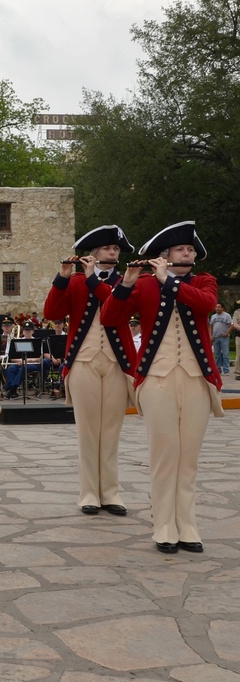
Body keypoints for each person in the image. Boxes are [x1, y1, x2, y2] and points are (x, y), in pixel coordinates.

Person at [101, 221, 224, 554]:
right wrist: (125, 284)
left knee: (189, 457)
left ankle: (188, 523)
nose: (189, 253)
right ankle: (164, 525)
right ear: (164, 255)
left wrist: (167, 280)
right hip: (156, 378)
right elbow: (110, 318)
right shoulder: (143, 284)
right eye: (181, 250)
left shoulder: (203, 281)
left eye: (190, 250)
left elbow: (204, 304)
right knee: (165, 453)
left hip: (197, 378)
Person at [43, 225, 136, 517]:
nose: (113, 253)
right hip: (83, 360)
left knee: (111, 430)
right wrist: (62, 277)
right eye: (108, 249)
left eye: (116, 249)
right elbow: (52, 313)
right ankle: (89, 494)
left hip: (116, 362)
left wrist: (94, 278)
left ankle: (110, 492)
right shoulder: (77, 282)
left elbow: (114, 304)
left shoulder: (128, 281)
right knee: (87, 430)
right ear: (93, 254)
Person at [0, 321, 53, 398]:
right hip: (21, 363)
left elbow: (39, 357)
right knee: (11, 369)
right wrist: (20, 361)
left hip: (34, 364)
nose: (27, 332)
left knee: (24, 368)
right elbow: (13, 357)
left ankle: (11, 388)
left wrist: (26, 361)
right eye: (25, 330)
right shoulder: (18, 341)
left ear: (33, 331)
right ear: (23, 331)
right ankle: (12, 390)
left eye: (29, 330)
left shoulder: (37, 342)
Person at [209, 303, 232, 375]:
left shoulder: (227, 315)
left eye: (219, 307)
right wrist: (211, 335)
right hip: (216, 337)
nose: (217, 308)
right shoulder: (213, 316)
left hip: (224, 337)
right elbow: (210, 326)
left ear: (222, 308)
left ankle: (226, 370)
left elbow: (231, 325)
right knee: (217, 354)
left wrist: (227, 333)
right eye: (216, 307)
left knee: (225, 354)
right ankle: (218, 370)